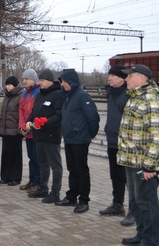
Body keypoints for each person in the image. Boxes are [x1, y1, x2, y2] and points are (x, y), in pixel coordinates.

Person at [118, 64, 159, 246]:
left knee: (147, 203)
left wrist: (149, 166)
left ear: (142, 78)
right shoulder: (135, 98)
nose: (127, 79)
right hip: (130, 161)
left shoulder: (151, 100)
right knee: (136, 202)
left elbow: (157, 136)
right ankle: (141, 234)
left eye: (130, 77)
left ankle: (152, 241)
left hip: (143, 164)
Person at [55, 69, 100, 214]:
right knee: (72, 169)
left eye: (64, 82)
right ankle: (72, 196)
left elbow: (93, 117)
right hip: (69, 139)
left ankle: (84, 200)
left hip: (80, 139)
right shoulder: (67, 96)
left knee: (81, 170)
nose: (62, 84)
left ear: (71, 82)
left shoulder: (82, 96)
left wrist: (91, 133)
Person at [98, 65, 134, 226]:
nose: (109, 78)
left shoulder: (129, 94)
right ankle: (117, 204)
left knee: (130, 179)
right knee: (116, 175)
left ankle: (134, 210)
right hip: (112, 141)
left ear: (122, 78)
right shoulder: (110, 93)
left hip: (126, 142)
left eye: (112, 75)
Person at [25, 69, 64, 204]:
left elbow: (59, 116)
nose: (39, 83)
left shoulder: (58, 95)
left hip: (51, 135)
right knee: (42, 163)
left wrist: (45, 123)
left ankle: (55, 192)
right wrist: (29, 121)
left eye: (41, 80)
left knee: (55, 165)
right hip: (39, 135)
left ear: (49, 81)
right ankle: (43, 188)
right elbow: (34, 112)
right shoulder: (40, 95)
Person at [0, 76, 24, 185]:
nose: (8, 87)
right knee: (6, 154)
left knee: (15, 155)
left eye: (10, 85)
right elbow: (2, 113)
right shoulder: (6, 97)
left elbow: (21, 114)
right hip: (6, 130)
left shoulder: (21, 96)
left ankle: (15, 178)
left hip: (16, 131)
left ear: (15, 85)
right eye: (7, 84)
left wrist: (21, 129)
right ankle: (5, 176)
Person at [18, 69, 41, 192]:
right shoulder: (25, 93)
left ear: (33, 79)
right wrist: (22, 125)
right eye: (23, 79)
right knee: (31, 157)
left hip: (35, 129)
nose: (24, 81)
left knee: (37, 158)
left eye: (26, 79)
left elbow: (36, 110)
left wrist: (32, 124)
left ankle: (38, 182)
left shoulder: (38, 91)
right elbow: (21, 109)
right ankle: (32, 180)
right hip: (27, 130)